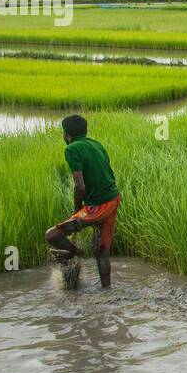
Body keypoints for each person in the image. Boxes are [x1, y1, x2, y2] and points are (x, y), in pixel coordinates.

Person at [46, 114, 121, 288]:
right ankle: (107, 291)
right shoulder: (97, 144)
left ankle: (76, 252)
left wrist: (77, 209)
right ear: (86, 130)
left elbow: (80, 186)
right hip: (113, 199)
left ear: (66, 134)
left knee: (52, 235)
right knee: (101, 251)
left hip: (98, 205)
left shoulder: (71, 149)